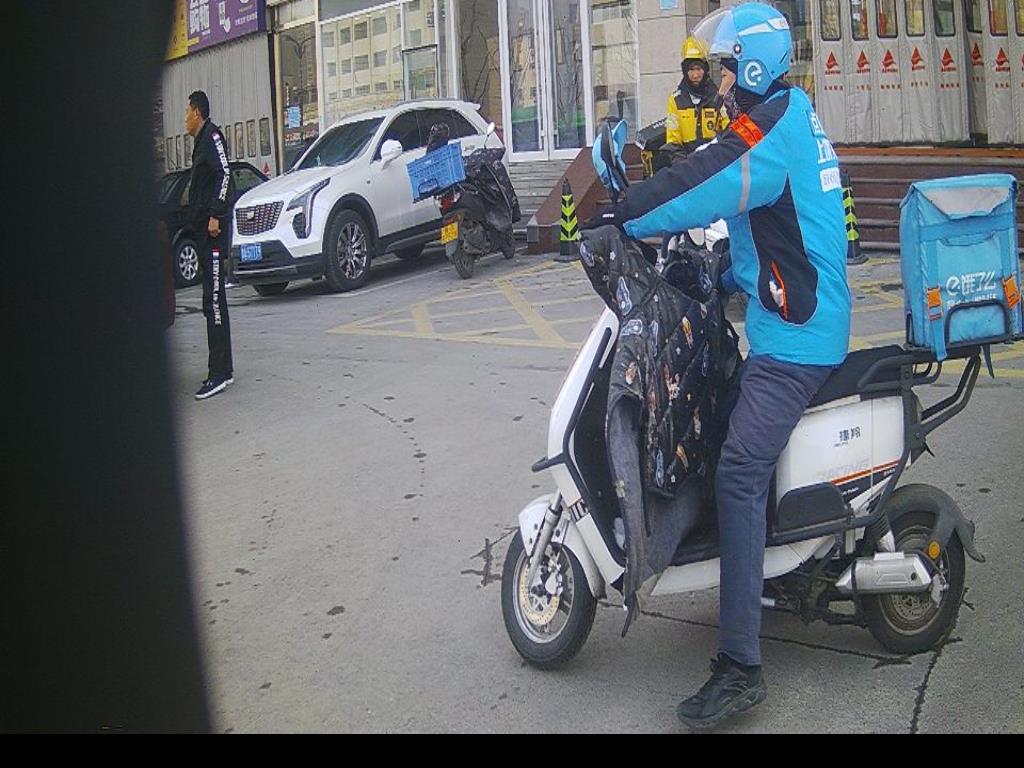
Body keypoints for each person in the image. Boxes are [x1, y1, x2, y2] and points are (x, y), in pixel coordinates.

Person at [587, 2, 851, 729]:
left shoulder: (768, 127)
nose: (723, 84)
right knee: (718, 423)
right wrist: (723, 271)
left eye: (729, 70)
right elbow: (781, 226)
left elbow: (710, 178)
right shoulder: (791, 116)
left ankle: (739, 666)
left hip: (796, 341)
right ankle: (759, 565)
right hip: (794, 316)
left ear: (755, 66)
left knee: (736, 470)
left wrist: (626, 212)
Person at [184, 90, 234, 400]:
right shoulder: (200, 143)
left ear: (198, 112)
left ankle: (218, 374)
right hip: (203, 233)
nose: (185, 119)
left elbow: (225, 174)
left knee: (213, 300)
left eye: (187, 112)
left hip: (213, 233)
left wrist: (216, 214)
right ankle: (223, 369)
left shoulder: (212, 137)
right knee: (212, 301)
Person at [662, 36, 731, 166]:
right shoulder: (675, 101)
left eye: (698, 69)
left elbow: (727, 129)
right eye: (691, 70)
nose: (695, 75)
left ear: (705, 70)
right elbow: (673, 141)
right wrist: (684, 166)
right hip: (687, 165)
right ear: (685, 71)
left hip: (714, 163)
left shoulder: (717, 97)